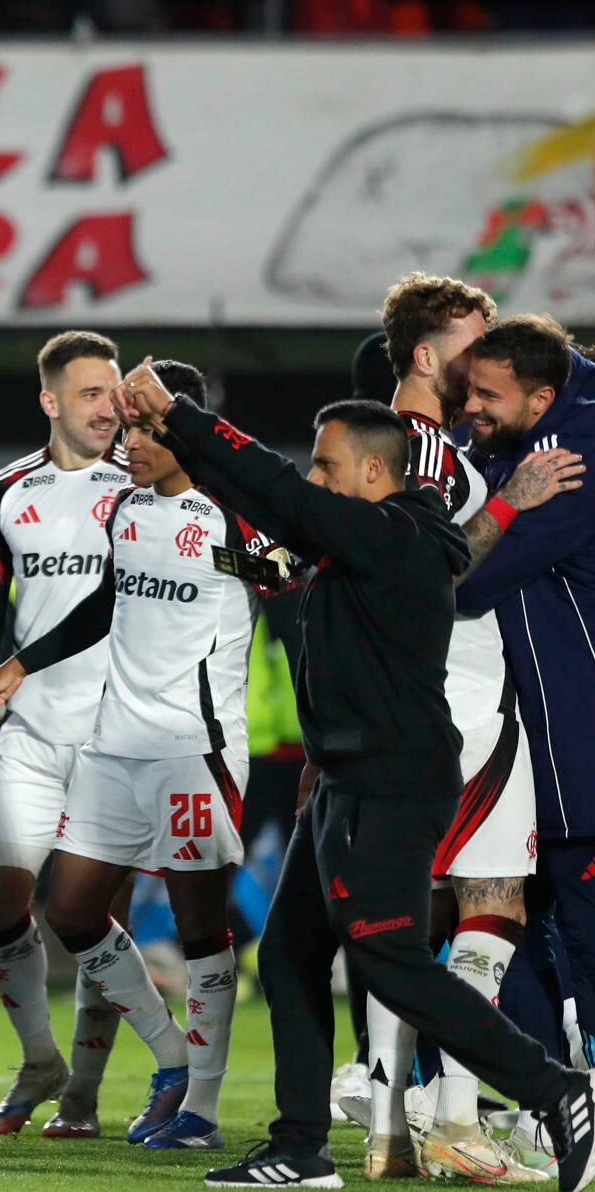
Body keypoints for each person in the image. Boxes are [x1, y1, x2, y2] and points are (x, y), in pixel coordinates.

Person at [103, 364, 595, 1191]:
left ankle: (557, 1089)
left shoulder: (392, 536)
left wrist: (178, 413)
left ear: (375, 472)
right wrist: (189, 437)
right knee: (293, 957)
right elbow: (267, 496)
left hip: (387, 781)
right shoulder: (371, 535)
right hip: (343, 778)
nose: (316, 478)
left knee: (391, 960)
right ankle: (299, 1149)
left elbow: (277, 492)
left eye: (328, 466)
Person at [0, 360, 271, 1153]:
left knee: (203, 927)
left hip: (192, 751)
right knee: (69, 909)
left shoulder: (232, 517)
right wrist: (19, 664)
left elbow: (292, 594)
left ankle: (200, 1109)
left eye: (143, 426)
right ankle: (172, 1061)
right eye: (125, 425)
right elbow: (110, 599)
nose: (126, 441)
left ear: (182, 429)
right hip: (112, 747)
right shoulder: (127, 508)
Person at [373, 276, 583, 1179]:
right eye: (473, 340)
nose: (486, 349)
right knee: (486, 902)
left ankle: (390, 1118)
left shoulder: (406, 440)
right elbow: (429, 582)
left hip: (412, 703)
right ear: (430, 357)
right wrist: (509, 505)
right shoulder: (434, 452)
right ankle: (453, 1115)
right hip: (462, 698)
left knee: (408, 910)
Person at [0, 331, 133, 1137]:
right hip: (27, 728)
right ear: (51, 401)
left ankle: (84, 1094)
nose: (109, 407)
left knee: (92, 913)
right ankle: (40, 1058)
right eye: (91, 392)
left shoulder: (144, 484)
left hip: (116, 727)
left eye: (115, 391)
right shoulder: (4, 492)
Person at [455, 316, 595, 1081]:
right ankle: (547, 1093)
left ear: (541, 398)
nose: (468, 408)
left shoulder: (570, 457)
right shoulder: (537, 428)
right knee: (519, 916)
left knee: (578, 924)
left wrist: (504, 503)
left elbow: (468, 581)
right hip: (535, 732)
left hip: (578, 732)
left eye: (485, 395)